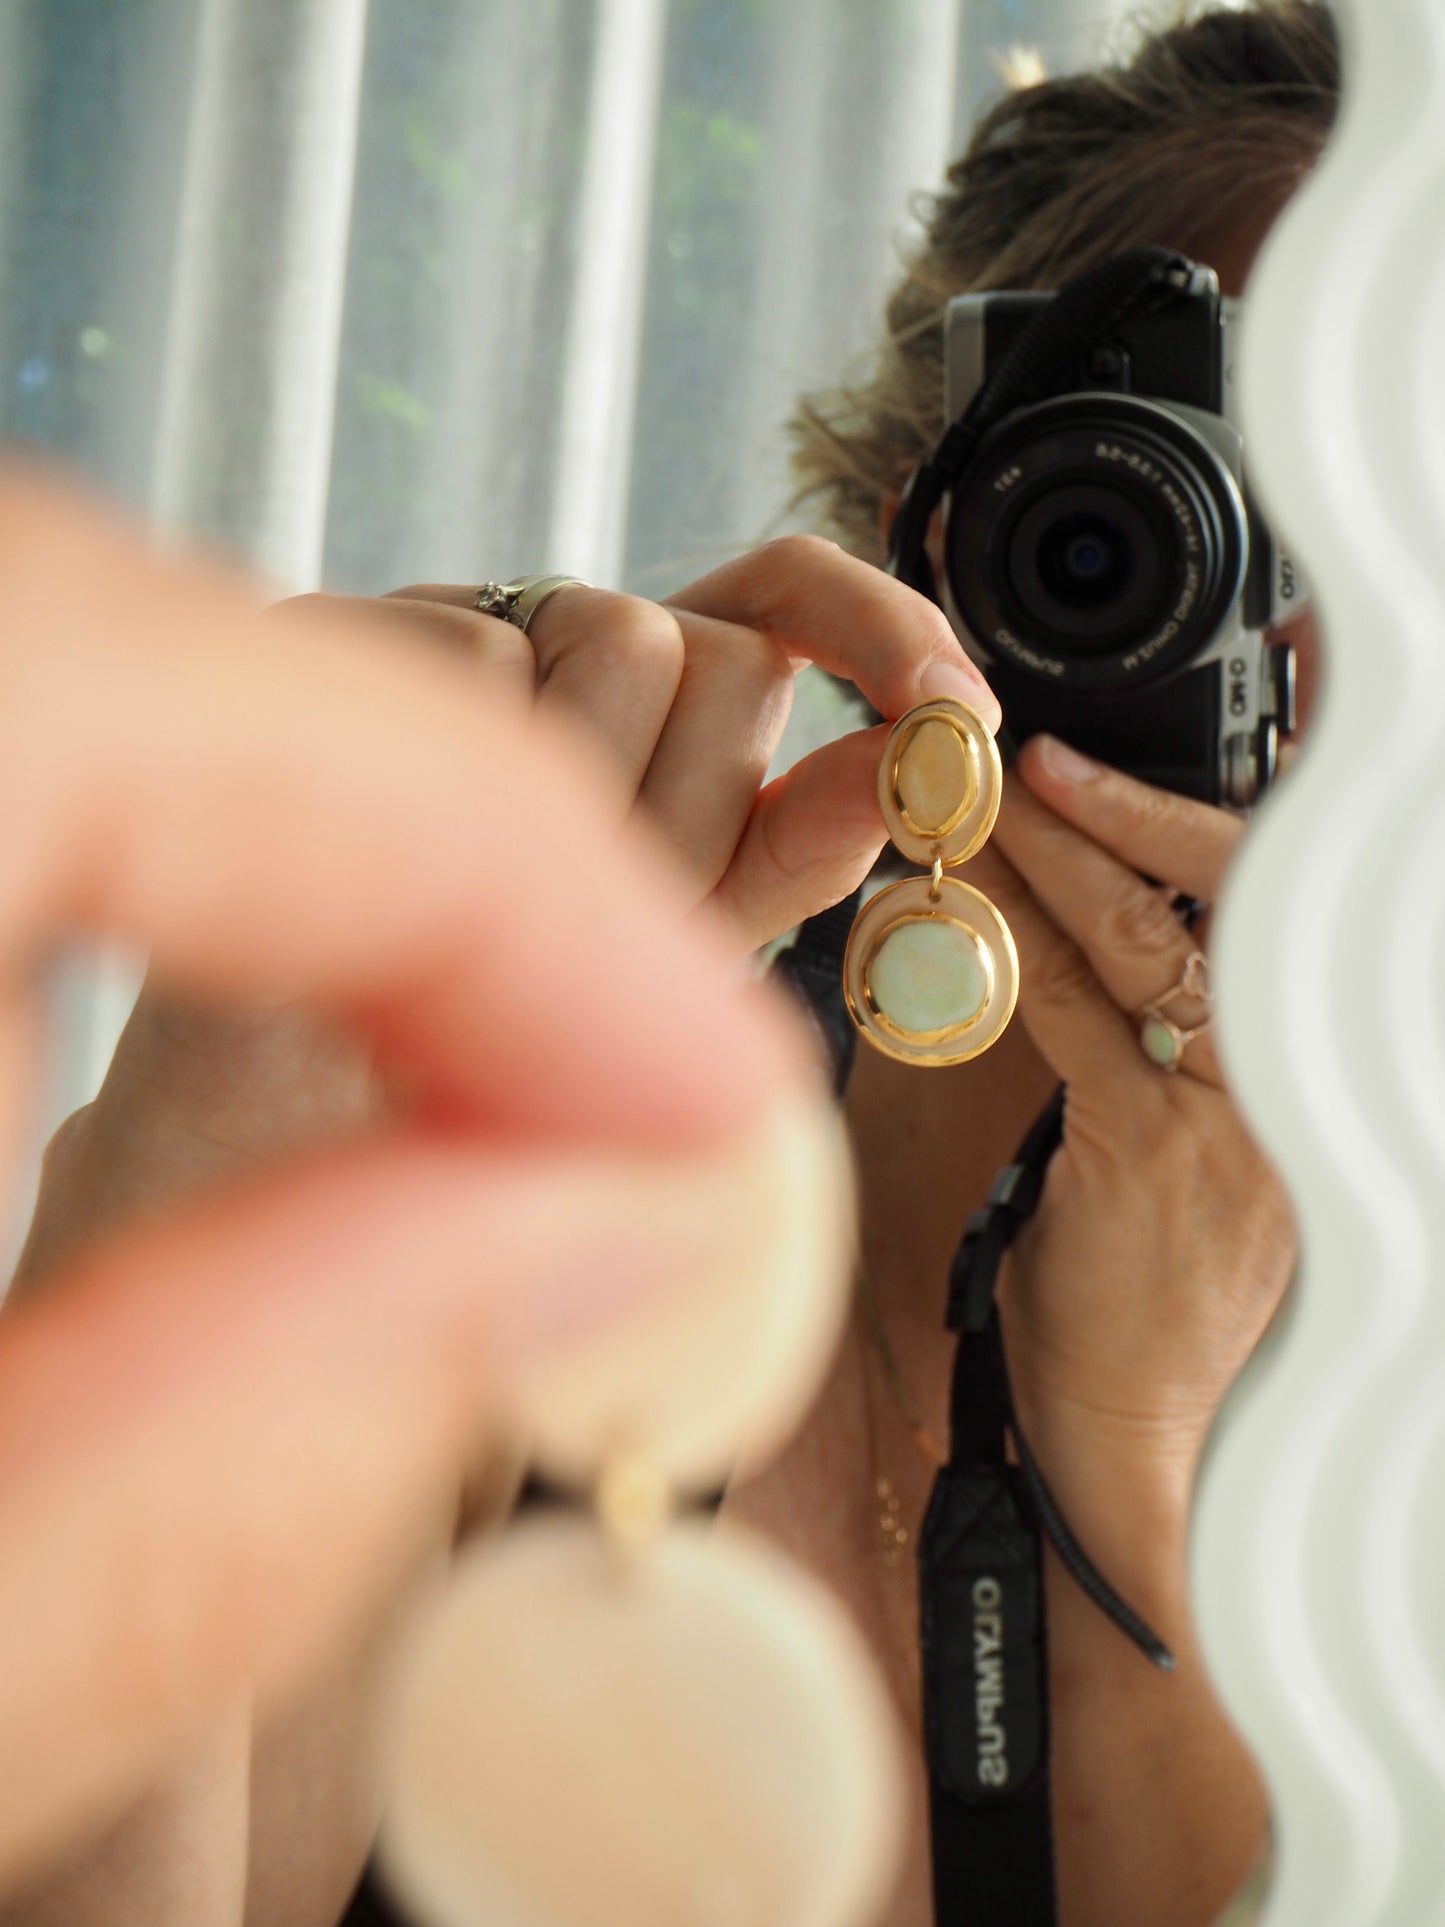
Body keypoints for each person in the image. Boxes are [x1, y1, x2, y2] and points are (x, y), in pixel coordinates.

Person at [2, 4, 1339, 1925]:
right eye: (1212, 502)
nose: (1305, 653)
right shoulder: (503, 1221)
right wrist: (197, 1152)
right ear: (938, 509)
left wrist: (1123, 1440)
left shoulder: (1393, 1485)